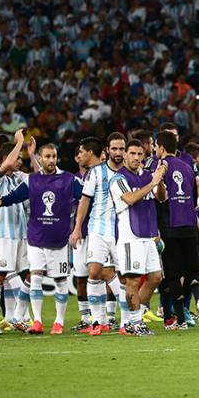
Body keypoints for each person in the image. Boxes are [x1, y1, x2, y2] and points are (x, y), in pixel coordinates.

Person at [0, 143, 82, 335]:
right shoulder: (32, 180)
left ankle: (58, 322)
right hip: (35, 238)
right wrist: (1, 201)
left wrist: (78, 222)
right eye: (48, 157)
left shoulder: (69, 179)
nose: (51, 160)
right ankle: (38, 322)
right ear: (40, 159)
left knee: (60, 281)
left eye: (54, 156)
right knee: (35, 278)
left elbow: (85, 197)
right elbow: (15, 196)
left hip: (59, 240)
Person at [69, 133, 127, 332]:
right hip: (98, 229)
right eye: (115, 149)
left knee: (125, 277)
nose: (118, 152)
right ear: (107, 151)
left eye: (121, 149)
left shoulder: (131, 172)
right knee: (93, 272)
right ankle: (98, 321)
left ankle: (127, 320)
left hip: (125, 231)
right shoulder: (96, 172)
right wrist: (77, 228)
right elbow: (85, 200)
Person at [108, 139, 167, 336]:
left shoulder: (147, 176)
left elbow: (161, 198)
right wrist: (153, 182)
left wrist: (160, 181)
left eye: (139, 154)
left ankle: (136, 319)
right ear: (125, 155)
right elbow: (131, 199)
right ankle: (132, 323)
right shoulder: (118, 179)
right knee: (133, 281)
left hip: (148, 235)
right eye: (131, 153)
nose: (135, 157)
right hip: (129, 236)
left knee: (156, 277)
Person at [151, 131, 199, 330]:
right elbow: (197, 191)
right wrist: (196, 205)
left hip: (169, 227)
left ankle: (180, 318)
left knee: (171, 276)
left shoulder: (160, 166)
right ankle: (198, 302)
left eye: (156, 146)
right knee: (191, 270)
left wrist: (160, 180)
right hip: (189, 224)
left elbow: (160, 197)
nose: (155, 149)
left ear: (162, 148)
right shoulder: (188, 166)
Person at [0, 129, 32, 332]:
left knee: (29, 275)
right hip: (1, 234)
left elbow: (39, 179)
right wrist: (19, 142)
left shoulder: (20, 179)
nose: (19, 160)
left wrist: (32, 154)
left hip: (21, 235)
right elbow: (7, 165)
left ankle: (17, 317)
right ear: (7, 158)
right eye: (17, 156)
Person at [69, 137, 106, 332]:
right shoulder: (76, 179)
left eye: (82, 151)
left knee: (104, 273)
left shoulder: (102, 173)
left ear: (90, 153)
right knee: (82, 276)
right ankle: (87, 318)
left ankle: (109, 316)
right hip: (82, 233)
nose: (80, 156)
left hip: (99, 232)